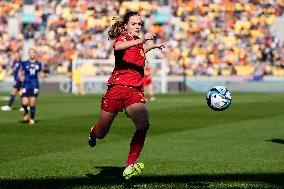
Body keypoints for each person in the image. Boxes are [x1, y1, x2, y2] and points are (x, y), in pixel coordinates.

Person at [87, 11, 166, 179]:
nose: (138, 26)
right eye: (134, 24)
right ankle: (93, 133)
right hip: (116, 89)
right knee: (102, 133)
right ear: (126, 26)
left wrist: (151, 46)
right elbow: (117, 47)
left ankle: (130, 164)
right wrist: (143, 39)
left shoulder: (137, 43)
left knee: (143, 124)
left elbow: (138, 52)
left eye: (139, 24)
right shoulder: (123, 39)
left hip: (134, 91)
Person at [19, 48, 48, 125]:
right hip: (26, 84)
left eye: (33, 53)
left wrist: (45, 75)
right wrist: (21, 78)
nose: (32, 54)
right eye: (30, 53)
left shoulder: (38, 63)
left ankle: (32, 119)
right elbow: (20, 72)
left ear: (35, 54)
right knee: (24, 103)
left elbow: (41, 73)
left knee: (32, 103)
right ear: (28, 54)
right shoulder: (24, 63)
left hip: (34, 84)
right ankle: (25, 111)